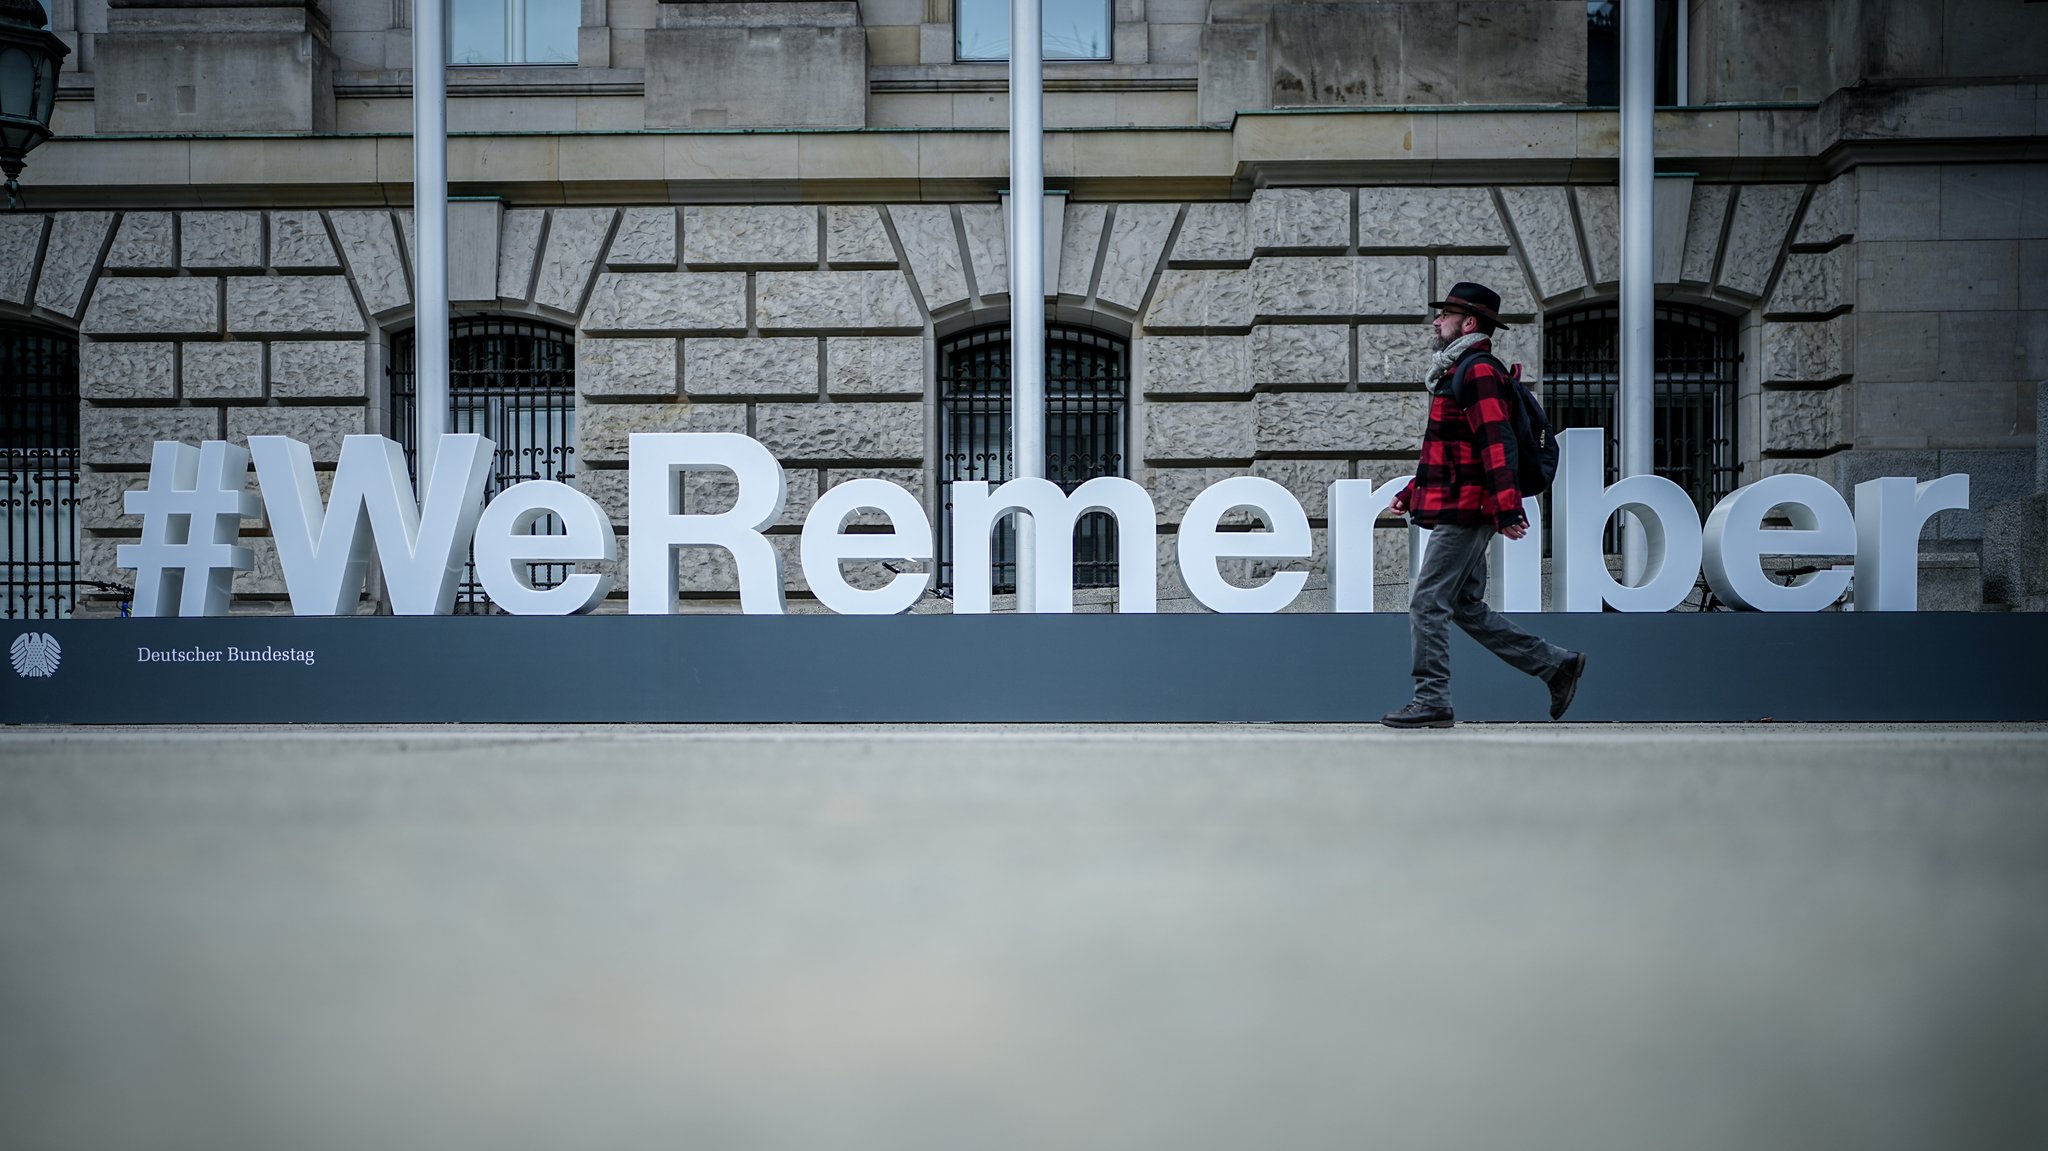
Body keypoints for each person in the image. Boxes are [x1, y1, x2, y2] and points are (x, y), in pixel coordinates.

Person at [1381, 281, 1586, 729]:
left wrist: (1506, 507)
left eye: (1444, 316)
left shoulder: (1476, 372)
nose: (1436, 322)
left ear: (1468, 322)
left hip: (1469, 510)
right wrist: (1412, 492)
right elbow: (1453, 450)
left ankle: (1432, 699)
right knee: (1463, 605)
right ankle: (1555, 665)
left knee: (1427, 602)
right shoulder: (1458, 373)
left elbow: (1497, 442)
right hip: (1462, 502)